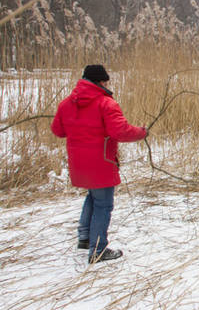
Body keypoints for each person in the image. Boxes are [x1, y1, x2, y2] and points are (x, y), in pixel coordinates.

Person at [51, 65, 147, 263]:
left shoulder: (67, 104)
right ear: (102, 82)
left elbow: (58, 131)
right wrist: (141, 132)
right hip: (101, 161)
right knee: (103, 204)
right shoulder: (106, 104)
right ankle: (98, 250)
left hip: (79, 163)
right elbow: (120, 131)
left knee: (93, 197)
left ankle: (85, 238)